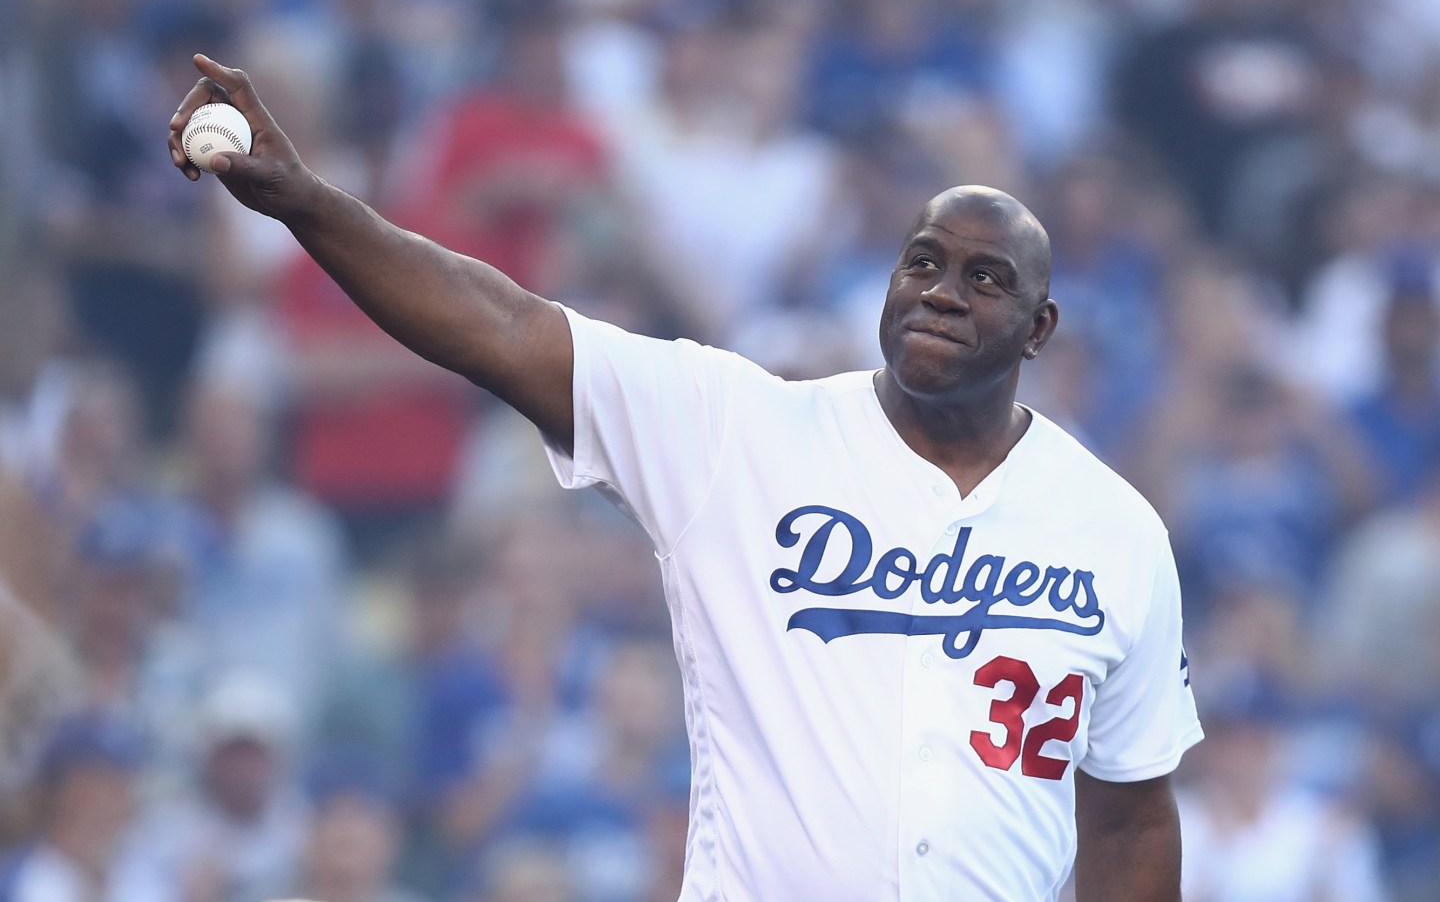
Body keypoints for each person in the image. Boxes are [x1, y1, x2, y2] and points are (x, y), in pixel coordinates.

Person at [167, 54, 1203, 901]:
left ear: (1040, 328)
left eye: (985, 278)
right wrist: (308, 204)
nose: (941, 291)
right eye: (922, 262)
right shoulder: (742, 430)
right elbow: (502, 328)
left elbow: (1130, 819)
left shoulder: (1114, 530)